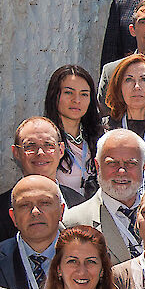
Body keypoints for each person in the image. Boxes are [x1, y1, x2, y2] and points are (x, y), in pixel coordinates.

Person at [0, 118, 87, 247]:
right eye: (30, 146)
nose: (40, 153)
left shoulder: (80, 203)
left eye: (48, 145)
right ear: (16, 153)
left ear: (61, 150)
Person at [63, 129, 145, 265]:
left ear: (143, 166)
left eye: (131, 163)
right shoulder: (74, 223)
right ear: (97, 166)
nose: (121, 171)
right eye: (112, 163)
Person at [0, 175, 68, 289]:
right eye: (24, 205)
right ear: (13, 217)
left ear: (61, 211)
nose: (35, 212)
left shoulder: (85, 258)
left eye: (45, 203)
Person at [43, 64, 105, 200]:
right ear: (54, 95)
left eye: (84, 94)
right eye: (68, 92)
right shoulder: (44, 141)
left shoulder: (101, 138)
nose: (76, 100)